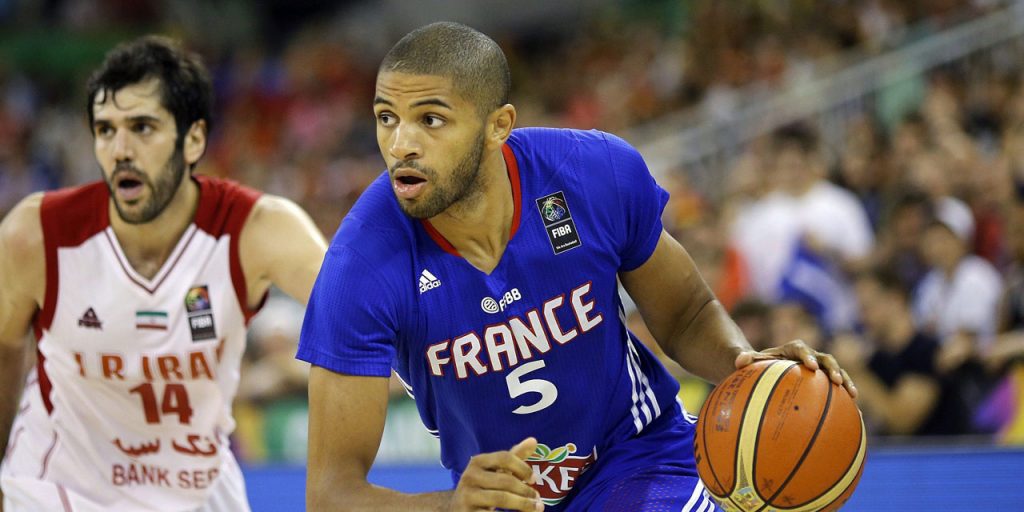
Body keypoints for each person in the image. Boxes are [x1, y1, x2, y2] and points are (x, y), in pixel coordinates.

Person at [298, 22, 856, 512]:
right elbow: (331, 494)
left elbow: (685, 313)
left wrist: (743, 363)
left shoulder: (590, 173)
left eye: (431, 120)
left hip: (637, 455)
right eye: (386, 118)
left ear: (498, 126)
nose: (401, 144)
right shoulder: (358, 267)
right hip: (504, 501)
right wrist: (450, 505)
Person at [0, 36, 327, 512]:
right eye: (105, 130)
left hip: (195, 485)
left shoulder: (258, 229)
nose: (120, 149)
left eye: (142, 127)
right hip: (60, 486)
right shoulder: (37, 234)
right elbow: (4, 345)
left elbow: (366, 318)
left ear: (193, 138)